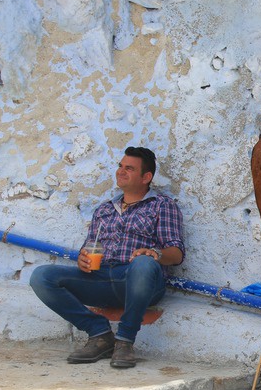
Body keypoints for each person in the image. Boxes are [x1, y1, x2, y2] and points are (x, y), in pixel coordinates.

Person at [30, 146, 185, 368]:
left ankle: (125, 340)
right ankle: (100, 334)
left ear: (146, 177)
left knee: (143, 263)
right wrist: (83, 259)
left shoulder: (162, 205)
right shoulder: (104, 210)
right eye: (120, 166)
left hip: (139, 279)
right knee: (42, 276)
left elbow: (176, 253)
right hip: (101, 277)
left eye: (129, 168)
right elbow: (90, 246)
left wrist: (155, 254)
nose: (121, 171)